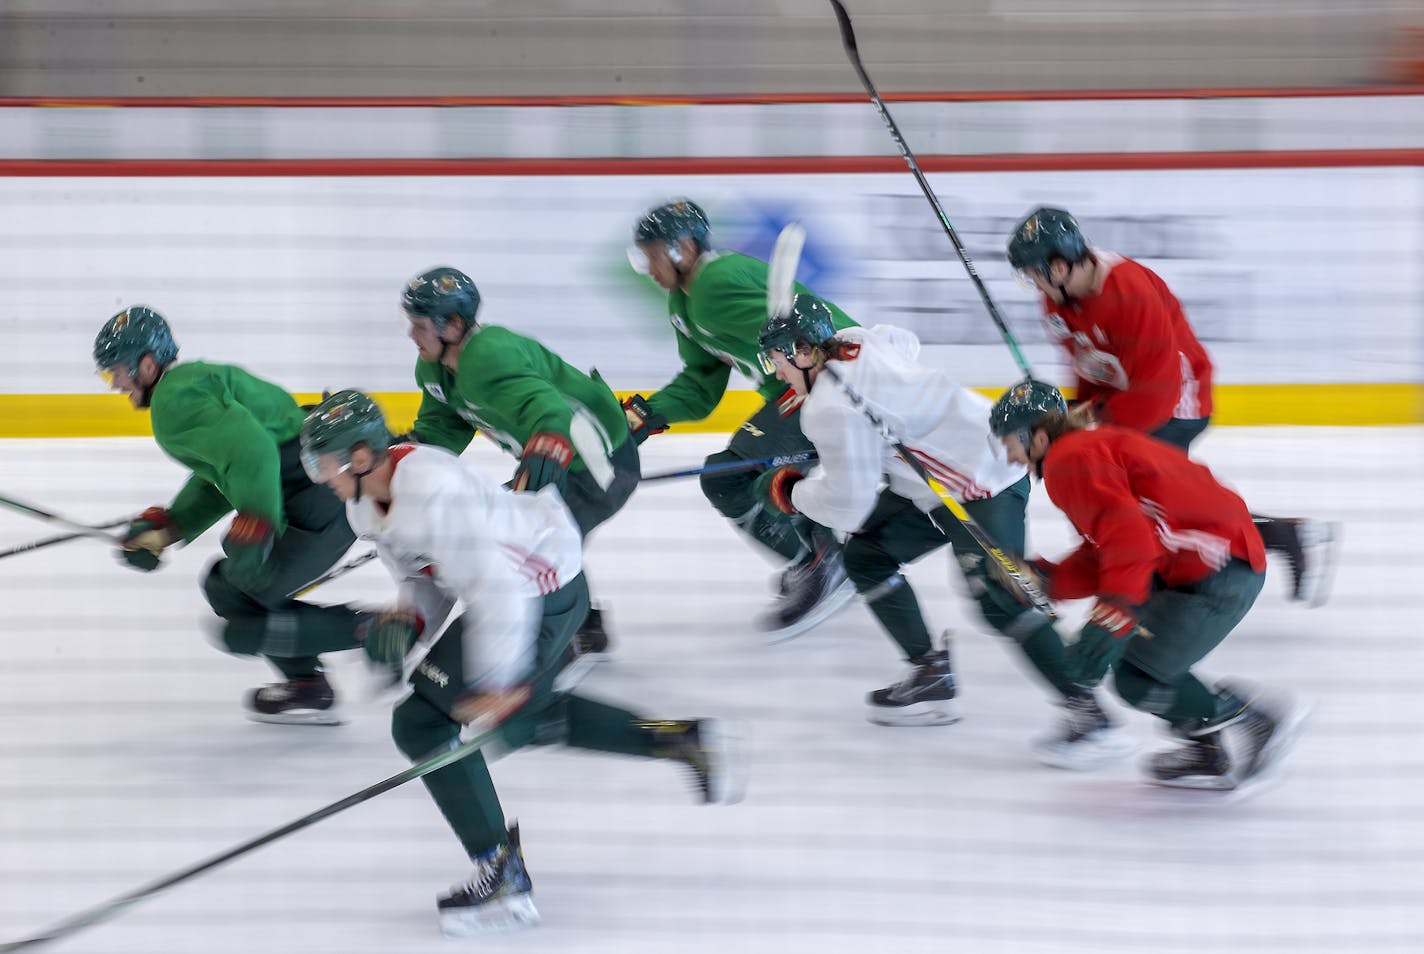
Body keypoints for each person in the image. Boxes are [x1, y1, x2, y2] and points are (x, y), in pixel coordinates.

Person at [298, 390, 743, 936]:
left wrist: (499, 681)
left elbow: (500, 587)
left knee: (424, 721)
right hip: (520, 587)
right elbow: (424, 580)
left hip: (540, 588)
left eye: (325, 464)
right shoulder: (363, 505)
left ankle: (502, 876)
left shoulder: (432, 491)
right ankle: (682, 739)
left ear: (362, 457)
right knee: (520, 717)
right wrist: (408, 621)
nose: (321, 477)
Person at [750, 296, 1133, 769]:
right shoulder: (854, 342)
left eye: (776, 358)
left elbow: (849, 506)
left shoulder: (829, 408)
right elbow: (901, 340)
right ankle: (930, 677)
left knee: (1000, 595)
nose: (774, 371)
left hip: (980, 484)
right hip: (943, 479)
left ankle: (1089, 712)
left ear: (804, 352)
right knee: (866, 555)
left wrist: (794, 493)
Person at [1006, 207, 1338, 605]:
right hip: (1128, 400)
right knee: (1150, 502)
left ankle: (1161, 586)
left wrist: (1095, 436)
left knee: (1147, 500)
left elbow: (1157, 393)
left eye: (1034, 273)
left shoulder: (1130, 294)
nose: (1033, 284)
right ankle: (1275, 536)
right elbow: (1088, 365)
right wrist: (1078, 412)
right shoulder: (1057, 303)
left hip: (1177, 404)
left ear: (1058, 267)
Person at [988, 379, 1308, 790]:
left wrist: (1115, 609)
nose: (1008, 457)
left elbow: (1129, 540)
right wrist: (1051, 580)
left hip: (1218, 571)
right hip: (1208, 562)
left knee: (1139, 678)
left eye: (1009, 443)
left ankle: (1254, 720)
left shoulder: (1070, 461)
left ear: (1037, 436)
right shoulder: (1087, 449)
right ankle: (1208, 747)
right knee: (1141, 668)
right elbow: (1114, 544)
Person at [93, 305, 361, 724]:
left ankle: (379, 631)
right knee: (228, 588)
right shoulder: (190, 382)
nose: (114, 385)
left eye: (117, 372)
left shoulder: (173, 404)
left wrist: (258, 526)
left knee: (237, 598)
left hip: (317, 505)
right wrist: (170, 526)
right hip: (322, 492)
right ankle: (309, 681)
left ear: (146, 365)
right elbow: (224, 470)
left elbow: (250, 453)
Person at [626, 199, 858, 639]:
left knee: (732, 476)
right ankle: (820, 555)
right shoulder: (683, 302)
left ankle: (820, 561)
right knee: (732, 473)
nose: (648, 268)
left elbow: (814, 336)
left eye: (652, 254)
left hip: (831, 381)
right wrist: (646, 414)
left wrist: (830, 390)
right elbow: (700, 385)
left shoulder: (717, 284)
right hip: (804, 390)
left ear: (685, 248)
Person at [396, 266, 638, 661]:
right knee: (526, 534)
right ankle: (583, 624)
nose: (411, 334)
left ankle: (569, 632)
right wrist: (401, 454)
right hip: (560, 460)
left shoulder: (490, 354)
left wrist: (542, 458)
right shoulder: (434, 369)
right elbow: (442, 429)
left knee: (528, 542)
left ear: (454, 326)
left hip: (599, 465)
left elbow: (552, 411)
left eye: (419, 325)